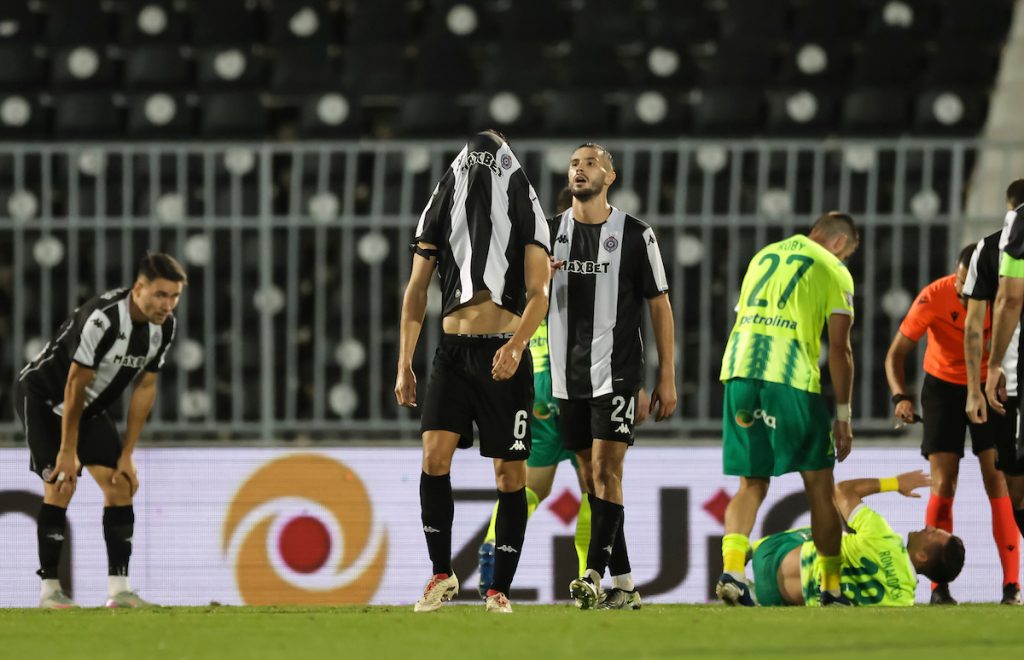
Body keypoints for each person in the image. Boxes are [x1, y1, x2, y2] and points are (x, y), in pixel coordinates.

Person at [395, 130, 551, 614]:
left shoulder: (525, 205)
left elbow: (540, 293)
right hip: (453, 352)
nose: (483, 158)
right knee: (433, 456)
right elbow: (416, 289)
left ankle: (498, 588)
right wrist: (404, 362)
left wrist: (517, 345)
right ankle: (441, 574)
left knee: (510, 474)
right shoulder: (441, 205)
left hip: (503, 353)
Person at [13, 252, 185, 609]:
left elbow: (146, 387)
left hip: (88, 408)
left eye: (174, 296)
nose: (167, 305)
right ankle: (49, 592)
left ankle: (119, 592)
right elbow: (74, 384)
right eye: (160, 295)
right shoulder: (103, 319)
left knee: (121, 484)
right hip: (44, 399)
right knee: (61, 483)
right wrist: (67, 450)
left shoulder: (165, 327)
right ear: (138, 288)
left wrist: (127, 453)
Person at [547, 143, 677, 610]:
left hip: (616, 373)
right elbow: (525, 298)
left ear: (610, 176)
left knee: (606, 471)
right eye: (574, 164)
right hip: (566, 376)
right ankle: (624, 585)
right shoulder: (547, 234)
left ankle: (592, 575)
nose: (579, 170)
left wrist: (666, 375)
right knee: (590, 477)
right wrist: (537, 281)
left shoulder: (636, 234)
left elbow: (659, 304)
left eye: (590, 163)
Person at [717, 212, 859, 607]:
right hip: (790, 379)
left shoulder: (763, 256)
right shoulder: (833, 269)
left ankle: (732, 571)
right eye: (847, 253)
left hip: (739, 372)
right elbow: (841, 350)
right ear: (839, 243)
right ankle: (831, 588)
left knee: (751, 482)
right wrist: (843, 416)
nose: (844, 259)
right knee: (820, 486)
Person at [887, 244, 1020, 605]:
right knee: (944, 483)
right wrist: (900, 397)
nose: (963, 290)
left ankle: (1012, 586)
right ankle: (938, 588)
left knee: (998, 481)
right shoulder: (934, 296)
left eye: (971, 283)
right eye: (960, 282)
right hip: (944, 388)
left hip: (991, 386)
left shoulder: (1006, 297)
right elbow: (895, 354)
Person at [749, 470, 965, 607]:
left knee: (828, 530)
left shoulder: (884, 537)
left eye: (934, 533)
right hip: (775, 598)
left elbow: (842, 491)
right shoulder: (902, 599)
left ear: (922, 556)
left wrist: (895, 483)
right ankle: (752, 591)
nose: (929, 527)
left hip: (770, 557)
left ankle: (742, 560)